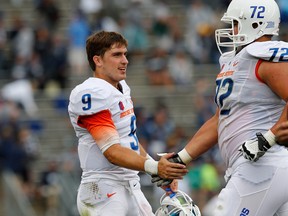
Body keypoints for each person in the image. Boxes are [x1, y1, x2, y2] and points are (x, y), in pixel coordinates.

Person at [154, 0, 288, 215]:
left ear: (255, 24)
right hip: (255, 169)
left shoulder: (265, 56)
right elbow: (220, 120)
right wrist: (181, 158)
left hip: (262, 167)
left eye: (235, 23)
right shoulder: (237, 60)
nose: (231, 30)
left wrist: (269, 137)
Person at [67, 30, 187, 216]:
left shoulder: (121, 88)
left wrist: (156, 170)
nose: (125, 60)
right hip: (103, 189)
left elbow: (127, 139)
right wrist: (155, 167)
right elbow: (112, 151)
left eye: (125, 54)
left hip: (129, 184)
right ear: (97, 60)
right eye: (116, 55)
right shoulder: (90, 92)